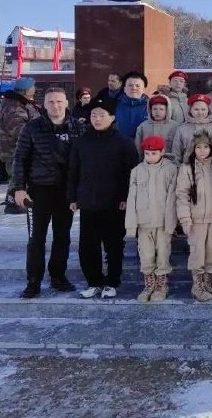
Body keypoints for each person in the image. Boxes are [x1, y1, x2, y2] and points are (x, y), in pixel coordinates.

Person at [12, 88, 85, 298]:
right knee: (36, 238)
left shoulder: (78, 128)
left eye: (59, 101)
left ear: (66, 103)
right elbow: (20, 158)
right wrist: (19, 188)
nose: (55, 105)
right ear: (44, 104)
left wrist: (80, 191)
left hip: (65, 191)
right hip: (38, 190)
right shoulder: (32, 127)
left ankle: (58, 276)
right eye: (51, 102)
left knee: (62, 236)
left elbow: (84, 161)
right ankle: (33, 281)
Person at [68, 96, 138, 299]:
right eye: (93, 115)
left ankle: (112, 282)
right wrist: (72, 197)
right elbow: (73, 171)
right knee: (88, 245)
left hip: (114, 203)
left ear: (112, 117)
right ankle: (93, 281)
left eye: (101, 115)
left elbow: (132, 173)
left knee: (113, 245)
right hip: (88, 201)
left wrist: (126, 197)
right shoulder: (81, 142)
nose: (97, 119)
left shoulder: (124, 142)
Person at [125, 135, 178, 302]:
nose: (150, 157)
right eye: (147, 153)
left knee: (162, 254)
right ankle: (149, 284)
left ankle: (161, 285)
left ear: (162, 152)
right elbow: (132, 198)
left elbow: (172, 198)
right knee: (146, 255)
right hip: (144, 222)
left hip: (163, 222)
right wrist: (131, 225)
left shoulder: (171, 169)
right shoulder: (137, 171)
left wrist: (171, 223)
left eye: (154, 153)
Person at [176, 132, 212, 302]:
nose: (202, 151)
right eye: (198, 147)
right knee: (198, 253)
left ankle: (207, 282)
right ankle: (197, 286)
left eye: (206, 147)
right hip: (196, 220)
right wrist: (185, 220)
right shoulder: (187, 168)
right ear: (193, 149)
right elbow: (182, 195)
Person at [0, 77, 40, 214]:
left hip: (20, 149)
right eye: (33, 86)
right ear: (27, 91)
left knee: (19, 176)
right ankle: (14, 204)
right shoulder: (13, 106)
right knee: (17, 177)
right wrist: (37, 138)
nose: (35, 89)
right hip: (14, 150)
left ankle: (16, 203)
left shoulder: (21, 103)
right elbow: (18, 130)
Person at [171, 94, 212, 164]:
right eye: (196, 109)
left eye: (203, 109)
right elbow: (176, 153)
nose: (200, 112)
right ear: (190, 110)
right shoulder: (182, 129)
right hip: (188, 167)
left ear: (208, 110)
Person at [134, 94, 177, 160]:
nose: (157, 112)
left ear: (167, 111)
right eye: (154, 109)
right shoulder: (143, 126)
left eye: (161, 109)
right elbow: (138, 148)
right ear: (150, 110)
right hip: (148, 162)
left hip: (168, 163)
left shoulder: (175, 126)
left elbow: (177, 149)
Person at [114, 70, 149, 138]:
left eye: (137, 86)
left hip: (144, 143)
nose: (134, 88)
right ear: (124, 88)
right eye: (130, 85)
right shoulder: (114, 105)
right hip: (119, 143)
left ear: (143, 88)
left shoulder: (151, 106)